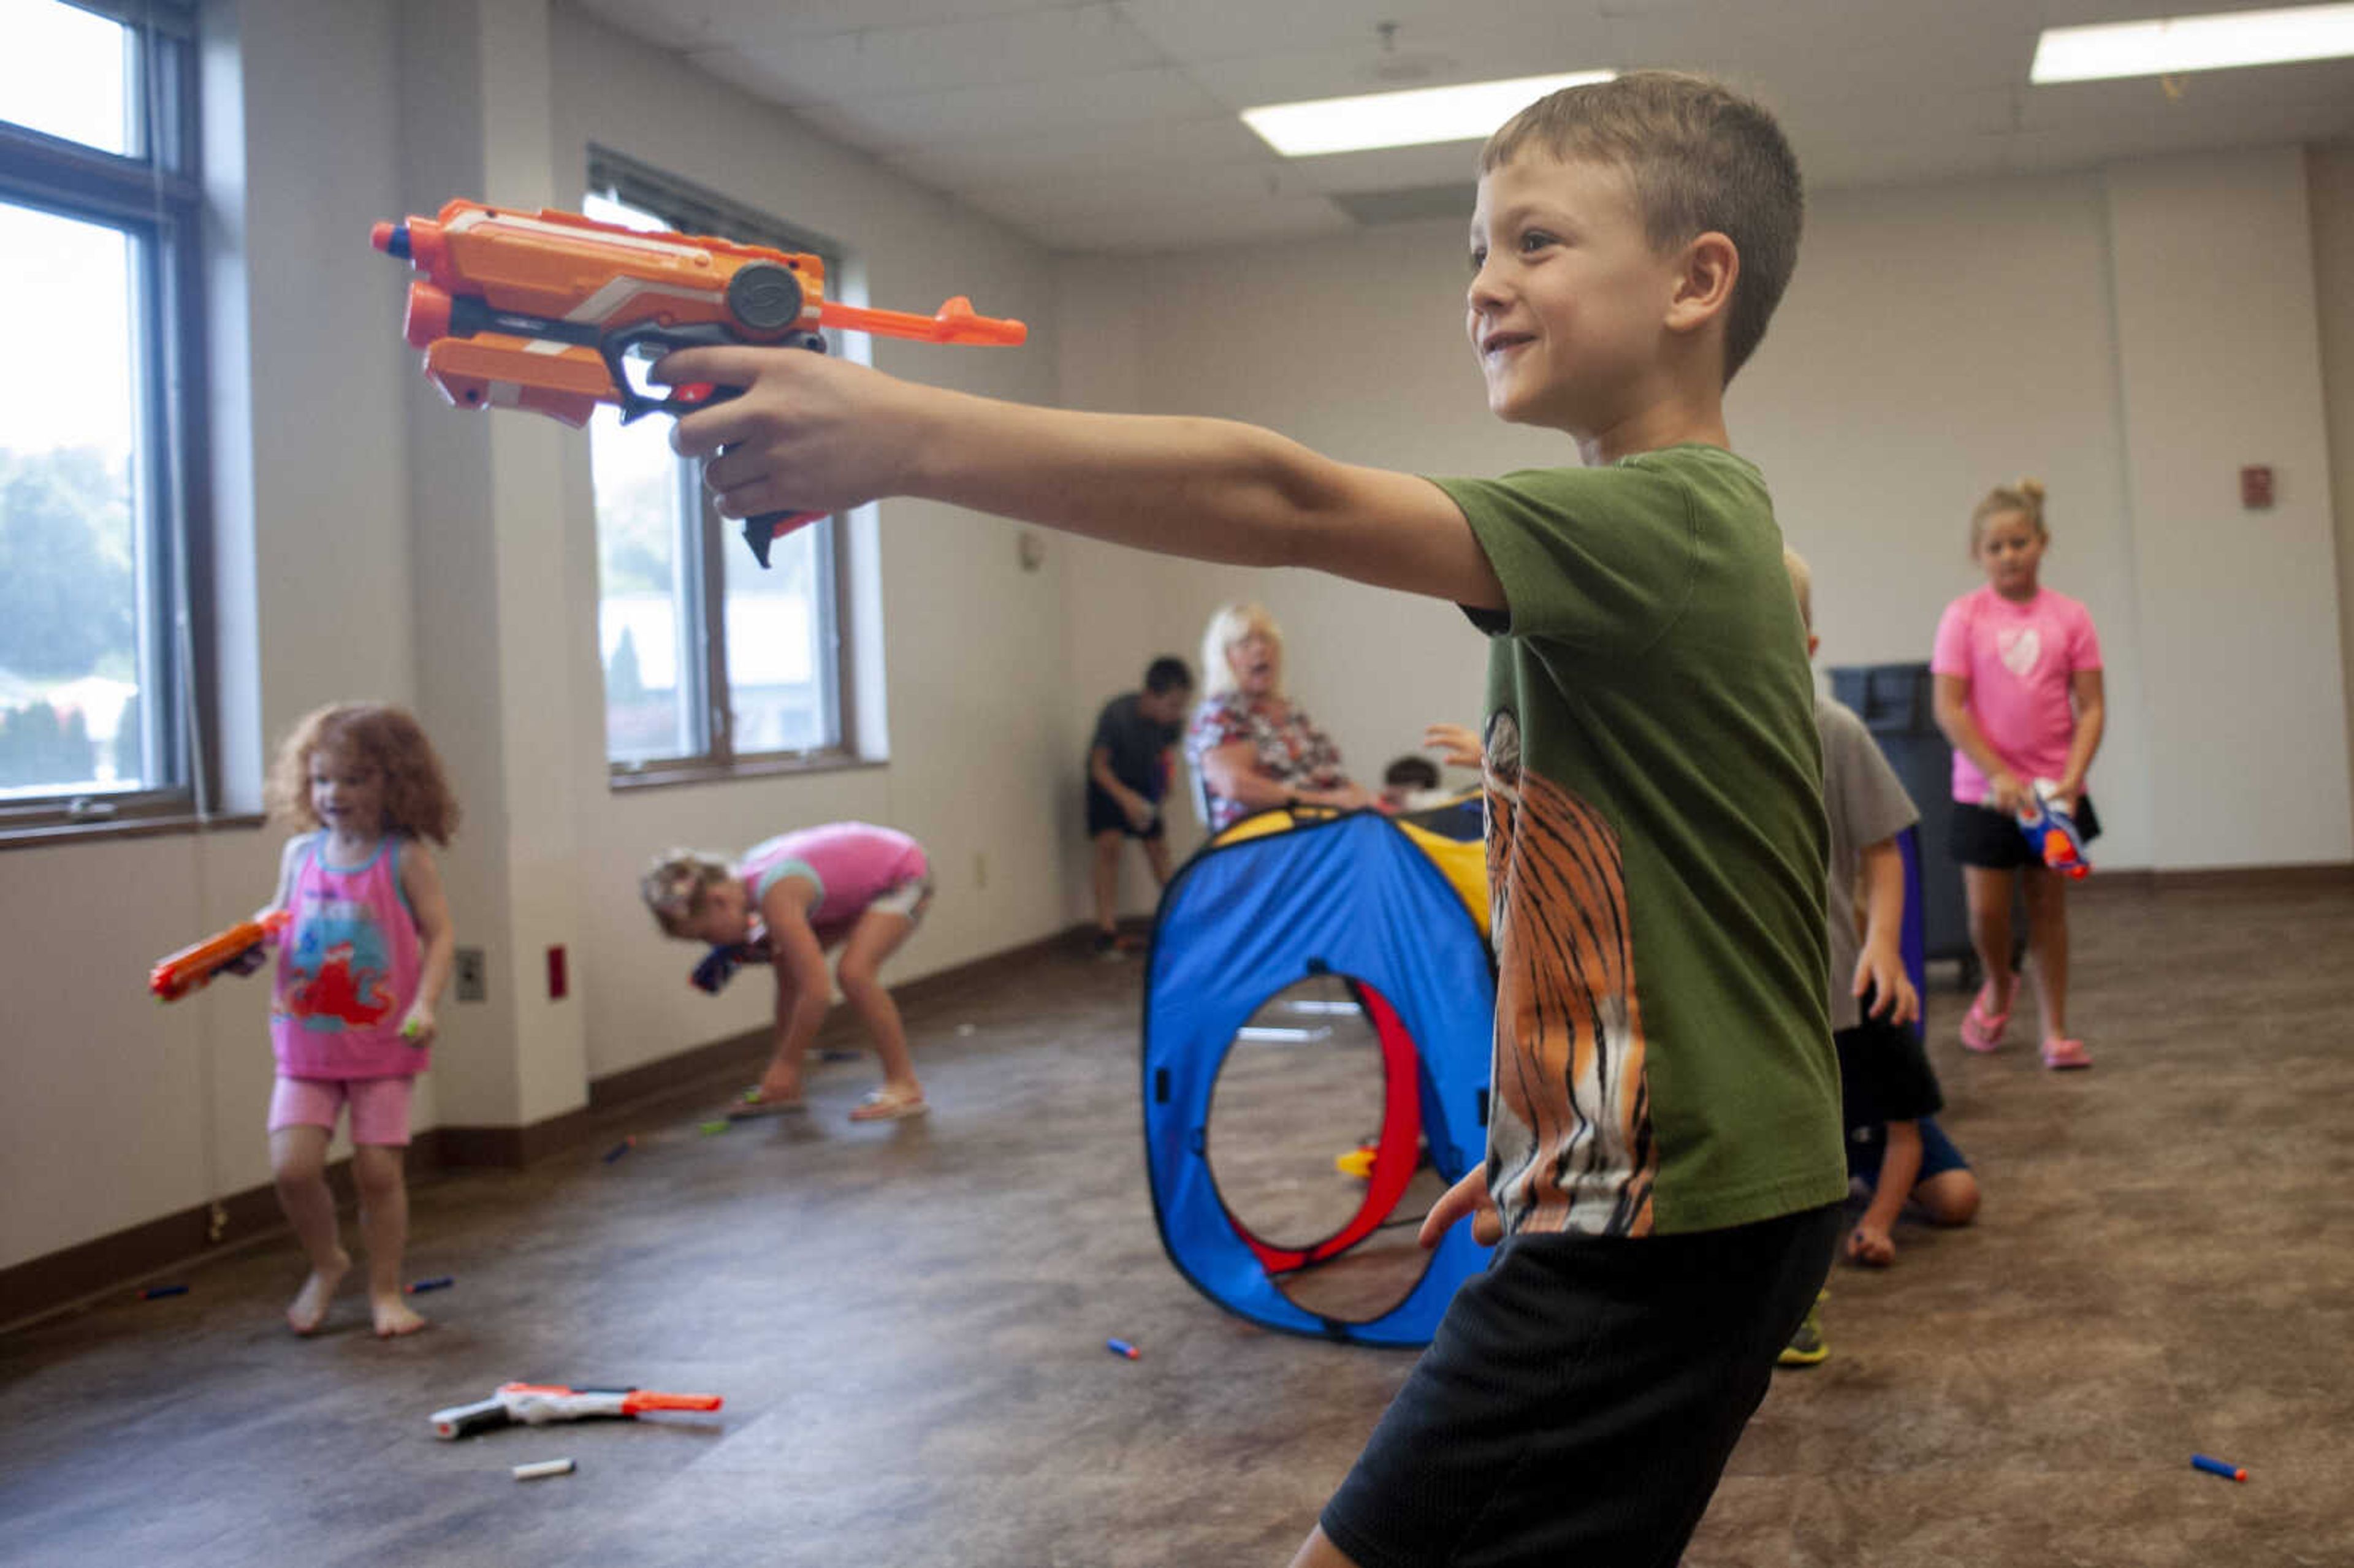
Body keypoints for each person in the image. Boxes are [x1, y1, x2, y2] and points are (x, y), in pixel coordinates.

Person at [659, 69, 1845, 1568]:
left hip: (1667, 1227)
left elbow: (1276, 497)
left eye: (1534, 243)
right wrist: (1561, 1120)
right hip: (1660, 1185)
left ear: (1697, 279)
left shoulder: (1665, 520)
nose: (1482, 285)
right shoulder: (1654, 540)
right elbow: (1706, 894)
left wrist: (899, 437)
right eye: (1474, 250)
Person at [1773, 552, 1981, 1369]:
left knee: (1954, 1193)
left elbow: (1885, 850)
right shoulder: (1695, 732)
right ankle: (1790, 1290)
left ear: (1807, 640)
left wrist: (1886, 948)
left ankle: (1858, 1185)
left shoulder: (1834, 730)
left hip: (1839, 996)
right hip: (1762, 1009)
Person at [249, 702, 458, 1338]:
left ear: (395, 783)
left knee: (376, 1172)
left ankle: (386, 1287)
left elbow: (441, 932)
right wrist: (251, 943)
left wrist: (425, 1001)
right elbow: (280, 919)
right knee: (294, 1166)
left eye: (355, 779)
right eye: (322, 779)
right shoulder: (299, 854)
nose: (334, 794)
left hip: (382, 1044)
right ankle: (327, 1260)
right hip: (306, 1044)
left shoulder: (403, 858)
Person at [1932, 478, 2107, 1070]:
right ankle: (2000, 984)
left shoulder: (2071, 618)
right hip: (1984, 797)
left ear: (2042, 542)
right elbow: (1949, 706)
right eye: (1996, 547)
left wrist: (2072, 776)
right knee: (1987, 913)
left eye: (2020, 542)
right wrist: (1998, 774)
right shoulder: (1963, 618)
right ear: (1979, 554)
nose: (2009, 555)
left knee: (2049, 908)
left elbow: (2093, 707)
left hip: (2053, 797)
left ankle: (2056, 1029)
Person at [642, 823, 934, 1121]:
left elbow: (816, 992)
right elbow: (794, 981)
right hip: (860, 884)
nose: (711, 945)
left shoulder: (775, 894)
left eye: (706, 934)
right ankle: (787, 1087)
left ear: (720, 900)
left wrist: (787, 1063)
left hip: (903, 873)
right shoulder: (748, 885)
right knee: (789, 967)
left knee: (854, 973)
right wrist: (784, 1067)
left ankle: (904, 1084)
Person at [1186, 603, 1376, 833]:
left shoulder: (1292, 712)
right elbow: (1234, 785)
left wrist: (1370, 802)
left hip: (1324, 830)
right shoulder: (1222, 712)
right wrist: (1326, 802)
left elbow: (1329, 778)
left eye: (1266, 639)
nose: (1260, 649)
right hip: (1265, 841)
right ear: (1224, 657)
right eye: (1245, 643)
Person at [1086, 655, 1193, 958]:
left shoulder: (1173, 724)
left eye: (1182, 705)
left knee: (1158, 849)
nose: (1178, 712)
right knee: (1110, 845)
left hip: (1143, 783)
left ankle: (1182, 924)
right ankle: (1107, 932)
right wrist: (1126, 800)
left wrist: (1162, 786)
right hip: (1108, 783)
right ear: (1150, 695)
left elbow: (1164, 757)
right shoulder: (1116, 714)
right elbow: (1098, 768)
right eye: (1173, 704)